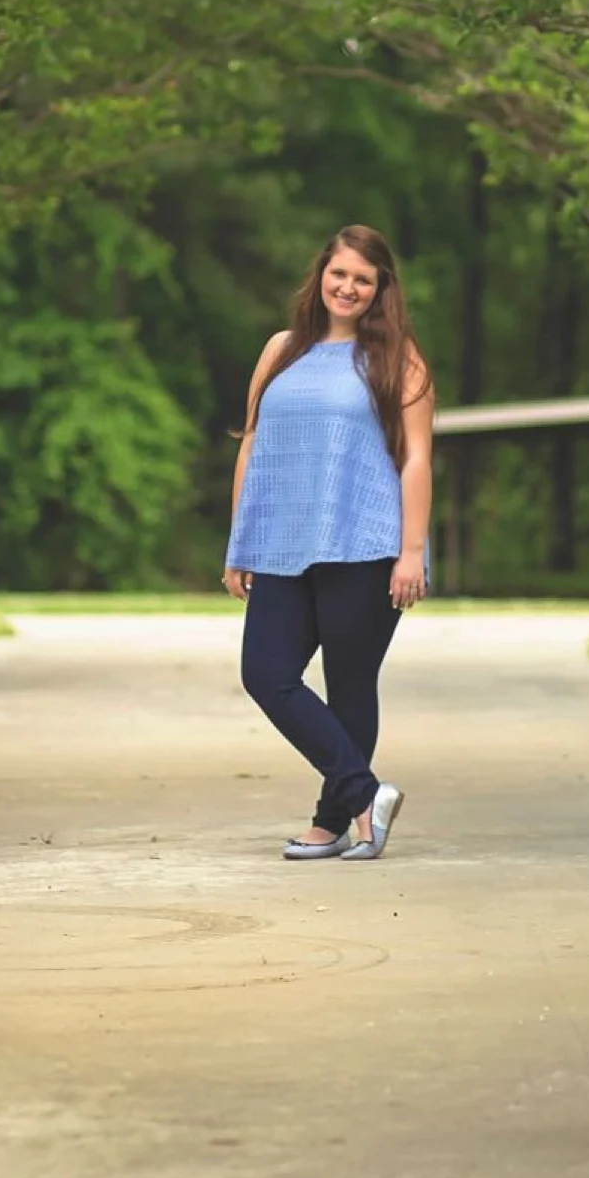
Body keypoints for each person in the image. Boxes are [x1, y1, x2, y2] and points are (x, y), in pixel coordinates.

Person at [222, 224, 434, 862]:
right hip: (283, 543)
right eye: (339, 273)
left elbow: (417, 457)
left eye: (363, 279)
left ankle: (333, 821)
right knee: (266, 673)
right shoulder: (282, 350)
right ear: (321, 275)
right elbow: (254, 444)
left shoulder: (399, 358)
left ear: (379, 291)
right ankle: (366, 797)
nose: (348, 287)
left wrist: (412, 552)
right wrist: (240, 542)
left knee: (350, 683)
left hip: (366, 546)